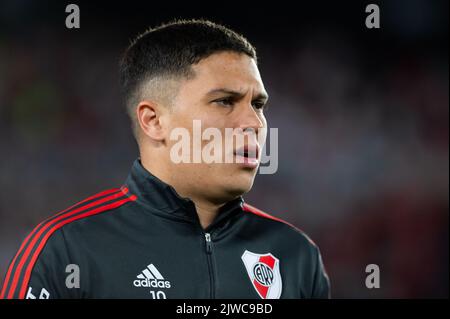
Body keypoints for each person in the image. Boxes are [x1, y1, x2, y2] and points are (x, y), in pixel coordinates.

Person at [1, 19, 330, 299]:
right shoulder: (66, 251)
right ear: (154, 121)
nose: (254, 124)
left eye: (258, 105)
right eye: (225, 101)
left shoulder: (296, 255)